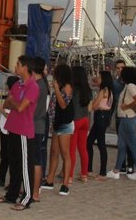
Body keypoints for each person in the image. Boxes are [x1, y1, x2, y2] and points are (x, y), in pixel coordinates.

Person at [0, 55, 39, 211]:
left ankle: (27, 198)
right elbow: (7, 102)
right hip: (12, 127)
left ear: (25, 67)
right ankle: (11, 194)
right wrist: (14, 102)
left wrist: (14, 102)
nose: (16, 66)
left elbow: (20, 107)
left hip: (23, 130)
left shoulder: (32, 87)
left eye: (18, 64)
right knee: (13, 162)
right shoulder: (17, 84)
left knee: (25, 165)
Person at [106, 66, 136, 181]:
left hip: (128, 118)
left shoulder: (131, 86)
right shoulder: (134, 86)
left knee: (133, 146)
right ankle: (116, 170)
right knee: (122, 145)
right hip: (128, 119)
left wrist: (126, 106)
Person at [44, 64, 74, 195]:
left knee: (65, 153)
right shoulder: (60, 86)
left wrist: (56, 88)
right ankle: (50, 179)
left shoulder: (67, 87)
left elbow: (63, 104)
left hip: (64, 124)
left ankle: (65, 183)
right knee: (54, 151)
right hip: (56, 123)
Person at [0, 76, 20, 188]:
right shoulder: (11, 96)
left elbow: (10, 115)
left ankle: (6, 179)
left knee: (9, 155)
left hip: (9, 129)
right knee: (4, 154)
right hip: (4, 128)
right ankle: (1, 177)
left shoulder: (13, 98)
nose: (5, 86)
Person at [86, 70, 114, 179]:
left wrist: (93, 103)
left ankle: (102, 172)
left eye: (100, 77)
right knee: (91, 142)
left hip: (100, 116)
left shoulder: (103, 90)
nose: (98, 79)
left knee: (100, 144)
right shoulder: (110, 91)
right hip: (104, 116)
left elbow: (95, 104)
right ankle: (90, 169)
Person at [69, 65, 92, 183]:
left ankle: (70, 176)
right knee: (83, 148)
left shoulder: (73, 90)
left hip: (75, 120)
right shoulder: (87, 89)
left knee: (71, 149)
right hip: (85, 119)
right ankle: (84, 174)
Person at [30, 57, 48, 202]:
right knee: (34, 160)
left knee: (35, 160)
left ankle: (35, 191)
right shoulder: (41, 84)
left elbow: (33, 110)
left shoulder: (38, 86)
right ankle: (33, 190)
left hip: (35, 126)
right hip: (37, 125)